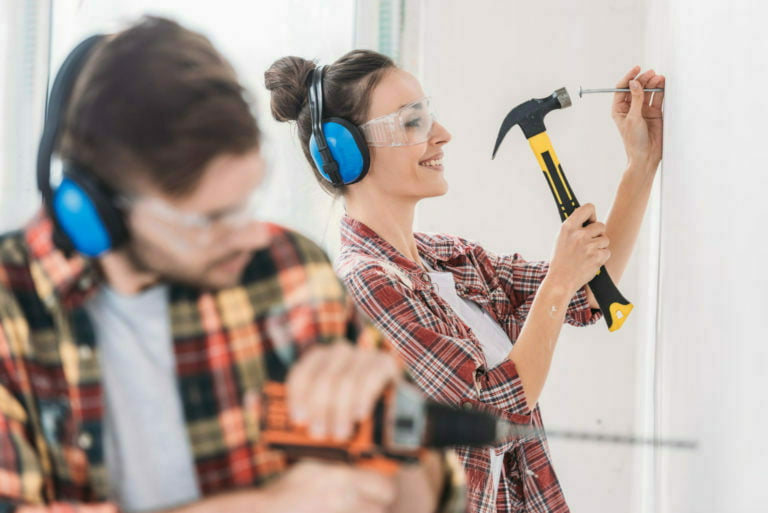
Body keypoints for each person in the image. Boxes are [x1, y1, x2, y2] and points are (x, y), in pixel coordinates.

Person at [0, 18, 465, 513]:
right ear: (98, 213)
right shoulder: (13, 308)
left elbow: (420, 501)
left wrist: (396, 439)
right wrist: (272, 504)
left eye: (248, 200)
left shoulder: (286, 271)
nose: (251, 236)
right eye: (213, 219)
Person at [264, 50, 664, 513]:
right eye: (412, 123)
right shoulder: (362, 290)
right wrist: (560, 278)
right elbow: (494, 412)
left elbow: (591, 286)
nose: (442, 135)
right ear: (345, 152)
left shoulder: (446, 260)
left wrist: (641, 163)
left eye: (427, 116)